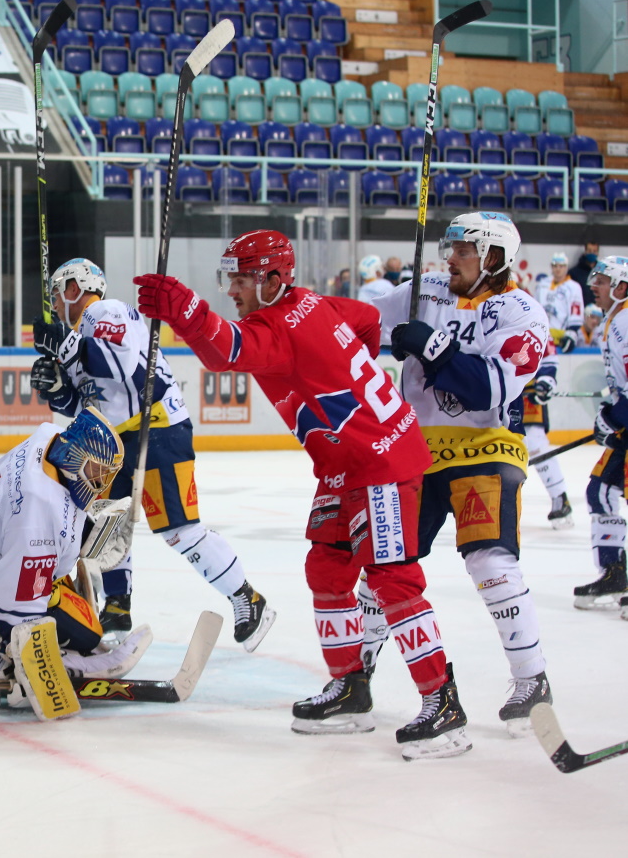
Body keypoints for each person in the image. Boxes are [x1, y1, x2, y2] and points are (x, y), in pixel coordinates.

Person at [135, 231, 468, 760]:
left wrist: (185, 309)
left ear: (271, 279)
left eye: (240, 279)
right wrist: (339, 374)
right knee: (327, 570)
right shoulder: (311, 302)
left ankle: (442, 702)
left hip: (380, 461)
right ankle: (351, 690)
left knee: (392, 579)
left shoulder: (277, 327)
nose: (232, 290)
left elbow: (227, 351)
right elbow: (364, 322)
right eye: (227, 279)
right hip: (346, 465)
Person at [29, 258, 275, 653]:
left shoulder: (104, 312)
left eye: (58, 296)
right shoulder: (79, 330)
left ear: (75, 288)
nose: (56, 305)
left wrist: (63, 343)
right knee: (106, 525)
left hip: (157, 428)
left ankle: (247, 597)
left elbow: (120, 364)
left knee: (179, 530)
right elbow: (83, 401)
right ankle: (116, 606)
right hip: (111, 443)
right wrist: (55, 386)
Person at [370, 211, 553, 737]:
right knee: (383, 567)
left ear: (493, 258)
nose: (449, 257)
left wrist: (429, 345)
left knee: (490, 561)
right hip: (412, 454)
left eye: (462, 250)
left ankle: (531, 677)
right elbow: (355, 322)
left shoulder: (522, 313)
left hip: (483, 449)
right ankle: (355, 676)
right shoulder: (424, 288)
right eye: (449, 247)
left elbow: (488, 388)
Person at [0, 407, 153, 718]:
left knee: (70, 594)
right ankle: (0, 660)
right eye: (96, 471)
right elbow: (15, 610)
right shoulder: (37, 517)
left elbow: (53, 511)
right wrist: (32, 657)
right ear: (75, 455)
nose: (101, 482)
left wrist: (86, 531)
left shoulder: (49, 438)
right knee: (89, 633)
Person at [575, 255, 628, 615]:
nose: (594, 283)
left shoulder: (625, 320)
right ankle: (614, 573)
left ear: (622, 287)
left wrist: (614, 416)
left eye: (603, 279)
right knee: (602, 490)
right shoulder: (614, 318)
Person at [519, 251, 583, 528]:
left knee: (534, 443)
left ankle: (559, 498)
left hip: (527, 387)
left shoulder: (530, 316)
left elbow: (549, 355)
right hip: (499, 391)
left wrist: (546, 380)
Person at [571, 240, 600, 305]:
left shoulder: (601, 273)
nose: (592, 253)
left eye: (594, 251)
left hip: (598, 310)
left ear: (598, 253)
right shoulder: (574, 273)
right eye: (589, 251)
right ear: (585, 252)